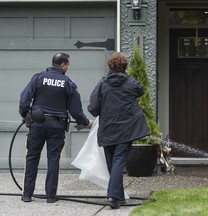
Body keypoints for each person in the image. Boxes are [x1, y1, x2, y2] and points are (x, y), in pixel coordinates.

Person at [19, 52, 93, 203]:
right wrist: (86, 122)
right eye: (68, 65)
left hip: (37, 125)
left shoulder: (38, 78)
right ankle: (50, 197)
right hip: (56, 126)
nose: (68, 68)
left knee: (32, 157)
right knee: (53, 159)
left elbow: (24, 98)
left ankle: (27, 195)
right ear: (63, 65)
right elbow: (76, 110)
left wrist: (24, 114)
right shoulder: (68, 83)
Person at [87, 52, 149, 209]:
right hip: (126, 129)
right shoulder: (130, 83)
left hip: (108, 129)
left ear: (110, 65)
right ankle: (116, 197)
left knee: (113, 163)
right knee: (117, 162)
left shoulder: (102, 84)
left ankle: (115, 197)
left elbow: (93, 108)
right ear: (125, 66)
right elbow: (141, 91)